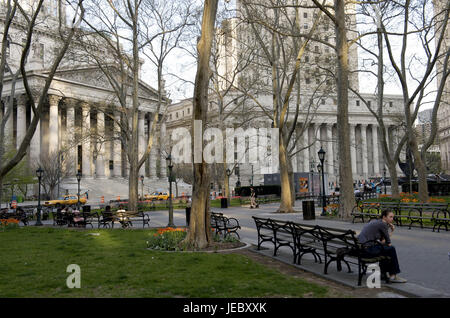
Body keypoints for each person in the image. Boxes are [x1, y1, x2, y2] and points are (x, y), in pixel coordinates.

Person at [357, 210, 407, 283]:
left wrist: (390, 232)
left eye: (393, 217)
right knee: (391, 249)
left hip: (361, 249)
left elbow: (383, 241)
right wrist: (392, 231)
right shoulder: (383, 224)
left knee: (386, 250)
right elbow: (388, 243)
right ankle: (393, 275)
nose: (392, 219)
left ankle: (383, 274)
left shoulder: (377, 222)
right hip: (367, 250)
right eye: (390, 217)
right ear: (384, 217)